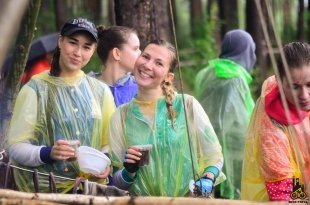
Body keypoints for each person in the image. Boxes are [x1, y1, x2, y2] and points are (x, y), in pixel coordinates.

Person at [7, 17, 116, 193]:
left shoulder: (101, 91)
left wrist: (103, 164)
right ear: (60, 41)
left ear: (93, 50)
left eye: (86, 47)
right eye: (73, 43)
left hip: (90, 193)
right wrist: (48, 153)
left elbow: (108, 143)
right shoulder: (36, 89)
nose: (78, 52)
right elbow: (16, 146)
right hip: (45, 194)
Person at [109, 39, 225, 196]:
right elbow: (117, 183)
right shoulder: (120, 116)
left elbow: (214, 157)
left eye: (158, 63)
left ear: (168, 77)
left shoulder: (187, 105)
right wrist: (128, 171)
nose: (148, 65)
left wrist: (208, 178)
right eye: (145, 57)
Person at [241, 42, 310, 201]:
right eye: (294, 87)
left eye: (309, 85)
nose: (304, 95)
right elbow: (284, 194)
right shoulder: (271, 130)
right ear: (279, 80)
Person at [194, 29, 256, 199]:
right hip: (233, 150)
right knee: (230, 195)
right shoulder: (235, 78)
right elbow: (238, 119)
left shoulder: (205, 73)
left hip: (204, 144)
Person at [89, 25, 141, 107]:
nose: (140, 53)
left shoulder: (141, 89)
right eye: (135, 49)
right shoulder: (86, 88)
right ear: (117, 53)